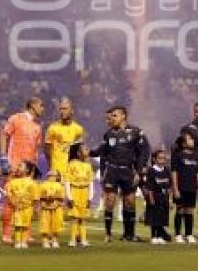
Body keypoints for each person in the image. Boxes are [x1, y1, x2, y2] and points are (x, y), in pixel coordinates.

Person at [90, 105, 150, 243]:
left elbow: (144, 152)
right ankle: (108, 235)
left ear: (124, 116)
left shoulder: (136, 132)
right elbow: (102, 152)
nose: (112, 118)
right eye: (111, 116)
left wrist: (139, 172)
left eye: (115, 115)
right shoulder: (109, 134)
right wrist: (88, 153)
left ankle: (129, 235)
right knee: (110, 201)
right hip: (112, 171)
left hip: (128, 171)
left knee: (130, 202)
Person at [0, 98, 44, 244]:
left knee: (28, 200)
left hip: (29, 169)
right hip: (15, 164)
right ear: (32, 106)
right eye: (41, 105)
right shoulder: (16, 118)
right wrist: (4, 158)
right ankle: (6, 233)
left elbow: (36, 149)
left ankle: (26, 232)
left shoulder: (38, 126)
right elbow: (3, 135)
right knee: (11, 200)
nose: (43, 108)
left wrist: (35, 167)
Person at [171, 131, 198, 243]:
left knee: (190, 211)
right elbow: (174, 173)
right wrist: (175, 189)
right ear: (183, 144)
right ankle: (178, 234)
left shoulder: (195, 156)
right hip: (181, 187)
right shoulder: (178, 155)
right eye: (189, 139)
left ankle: (189, 234)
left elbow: (197, 173)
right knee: (180, 209)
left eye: (192, 139)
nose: (192, 141)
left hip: (191, 187)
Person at [45, 97, 85, 177]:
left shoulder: (78, 129)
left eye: (65, 109)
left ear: (72, 110)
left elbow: (80, 151)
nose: (62, 111)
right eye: (60, 109)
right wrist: (50, 166)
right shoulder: (52, 128)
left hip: (71, 169)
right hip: (56, 169)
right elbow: (47, 149)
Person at [65, 142, 94, 247]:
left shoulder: (88, 166)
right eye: (84, 149)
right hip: (75, 191)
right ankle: (72, 240)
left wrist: (90, 198)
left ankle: (83, 240)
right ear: (78, 153)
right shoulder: (72, 164)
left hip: (84, 193)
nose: (87, 150)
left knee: (83, 218)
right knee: (75, 218)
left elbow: (90, 183)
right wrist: (69, 197)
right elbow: (67, 182)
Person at [6, 161, 39, 249]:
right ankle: (17, 242)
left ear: (27, 170)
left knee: (25, 226)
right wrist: (13, 202)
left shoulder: (32, 183)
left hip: (28, 207)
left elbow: (35, 197)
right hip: (17, 208)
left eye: (20, 166)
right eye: (18, 165)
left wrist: (35, 209)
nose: (18, 167)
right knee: (17, 225)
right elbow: (9, 194)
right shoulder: (13, 182)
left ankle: (23, 241)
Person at [146, 149, 171, 244]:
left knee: (162, 217)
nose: (162, 160)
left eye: (164, 158)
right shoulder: (151, 170)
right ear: (155, 159)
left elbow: (169, 186)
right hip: (155, 196)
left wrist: (170, 200)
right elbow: (149, 187)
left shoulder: (166, 170)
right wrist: (151, 198)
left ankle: (160, 236)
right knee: (154, 218)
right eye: (160, 158)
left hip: (164, 197)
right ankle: (154, 236)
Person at [39, 170, 64, 248]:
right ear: (48, 176)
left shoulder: (59, 185)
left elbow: (61, 197)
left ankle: (54, 239)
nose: (52, 177)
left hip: (56, 208)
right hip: (46, 208)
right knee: (45, 224)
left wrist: (56, 204)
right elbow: (41, 197)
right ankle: (45, 240)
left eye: (54, 175)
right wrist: (45, 201)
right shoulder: (43, 185)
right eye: (51, 175)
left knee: (56, 224)